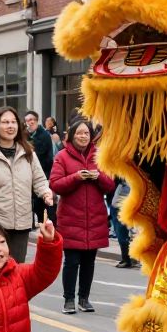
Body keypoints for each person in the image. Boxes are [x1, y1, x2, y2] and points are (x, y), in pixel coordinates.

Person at [50, 118, 114, 314]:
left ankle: (84, 299)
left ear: (91, 136)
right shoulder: (62, 156)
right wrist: (77, 177)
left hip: (94, 217)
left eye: (86, 133)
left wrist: (98, 177)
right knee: (72, 261)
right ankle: (69, 299)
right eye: (79, 133)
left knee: (89, 262)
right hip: (71, 218)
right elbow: (55, 184)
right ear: (71, 135)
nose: (83, 136)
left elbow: (110, 184)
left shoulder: (100, 157)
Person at [0, 106, 52, 263]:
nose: (10, 126)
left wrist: (46, 193)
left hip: (22, 224)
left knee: (16, 272)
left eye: (13, 122)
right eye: (5, 122)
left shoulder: (28, 153)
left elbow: (40, 181)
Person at [24, 111, 55, 227]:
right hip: (27, 175)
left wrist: (47, 176)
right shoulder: (24, 135)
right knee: (30, 202)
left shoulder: (44, 135)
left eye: (32, 120)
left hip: (42, 173)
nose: (30, 122)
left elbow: (46, 156)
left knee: (41, 202)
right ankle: (32, 223)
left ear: (37, 121)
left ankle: (44, 223)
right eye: (27, 120)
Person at [108, 179, 135, 268]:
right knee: (123, 235)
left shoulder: (126, 178)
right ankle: (127, 258)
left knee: (122, 235)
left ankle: (127, 259)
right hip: (119, 206)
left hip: (121, 207)